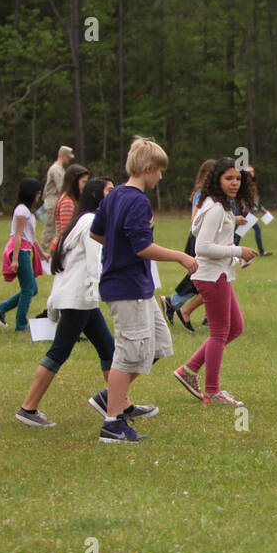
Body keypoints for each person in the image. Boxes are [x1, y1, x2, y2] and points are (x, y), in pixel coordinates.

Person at [15, 178, 154, 427]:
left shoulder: (84, 220)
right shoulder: (90, 221)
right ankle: (28, 407)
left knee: (108, 351)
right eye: (110, 191)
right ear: (96, 196)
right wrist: (102, 294)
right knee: (59, 352)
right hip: (79, 299)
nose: (115, 195)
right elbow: (93, 264)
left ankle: (121, 404)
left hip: (82, 299)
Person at [90, 136, 197, 443]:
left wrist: (119, 248)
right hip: (126, 288)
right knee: (129, 353)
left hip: (137, 286)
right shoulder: (136, 201)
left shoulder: (113, 197)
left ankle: (111, 396)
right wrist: (180, 256)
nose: (160, 177)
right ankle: (113, 422)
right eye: (159, 171)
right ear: (148, 168)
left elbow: (98, 233)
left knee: (159, 344)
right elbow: (142, 247)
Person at [173, 157, 257, 406]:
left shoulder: (220, 204)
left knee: (236, 327)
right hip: (210, 277)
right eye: (228, 178)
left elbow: (215, 242)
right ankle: (212, 391)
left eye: (238, 179)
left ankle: (188, 370)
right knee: (221, 332)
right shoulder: (216, 207)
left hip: (218, 273)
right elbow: (203, 247)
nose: (234, 183)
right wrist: (236, 252)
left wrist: (237, 254)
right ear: (216, 179)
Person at [163, 159, 216, 331]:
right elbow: (195, 220)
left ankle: (176, 304)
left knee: (204, 277)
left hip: (205, 239)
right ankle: (174, 303)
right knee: (203, 277)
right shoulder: (202, 193)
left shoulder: (210, 193)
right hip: (198, 240)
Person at [0, 178, 50, 331]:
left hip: (26, 250)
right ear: (30, 193)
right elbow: (18, 235)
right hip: (20, 252)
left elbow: (30, 236)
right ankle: (21, 324)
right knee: (28, 289)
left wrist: (42, 253)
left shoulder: (27, 211)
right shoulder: (22, 211)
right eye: (37, 193)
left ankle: (1, 309)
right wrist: (15, 259)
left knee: (32, 289)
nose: (39, 196)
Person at [41, 145, 74, 251]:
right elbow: (61, 187)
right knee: (49, 230)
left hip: (56, 201)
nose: (68, 159)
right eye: (67, 157)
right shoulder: (56, 169)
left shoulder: (59, 168)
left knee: (57, 230)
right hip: (53, 202)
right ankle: (41, 254)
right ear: (62, 155)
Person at [53, 163, 91, 246]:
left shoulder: (68, 199)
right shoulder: (67, 202)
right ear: (74, 182)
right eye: (83, 182)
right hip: (63, 247)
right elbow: (67, 232)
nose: (85, 185)